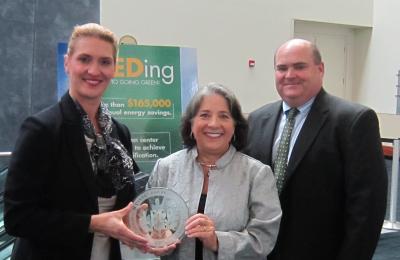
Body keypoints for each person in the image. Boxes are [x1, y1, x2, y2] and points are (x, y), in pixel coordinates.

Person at [4, 23, 150, 260]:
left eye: (104, 62)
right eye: (84, 59)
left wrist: (142, 222)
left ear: (114, 68)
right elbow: (17, 218)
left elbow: (125, 205)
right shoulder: (42, 130)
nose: (94, 70)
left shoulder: (119, 133)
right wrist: (92, 223)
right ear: (67, 63)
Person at [244, 38, 388, 260]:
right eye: (282, 68)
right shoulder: (257, 120)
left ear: (320, 69)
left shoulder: (354, 121)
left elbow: (366, 209)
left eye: (299, 66)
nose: (290, 74)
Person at [146, 83, 282, 259]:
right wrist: (156, 238)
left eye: (224, 116)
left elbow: (263, 239)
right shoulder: (165, 168)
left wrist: (217, 240)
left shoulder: (257, 175)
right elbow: (146, 224)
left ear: (235, 126)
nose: (213, 124)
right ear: (191, 124)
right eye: (204, 115)